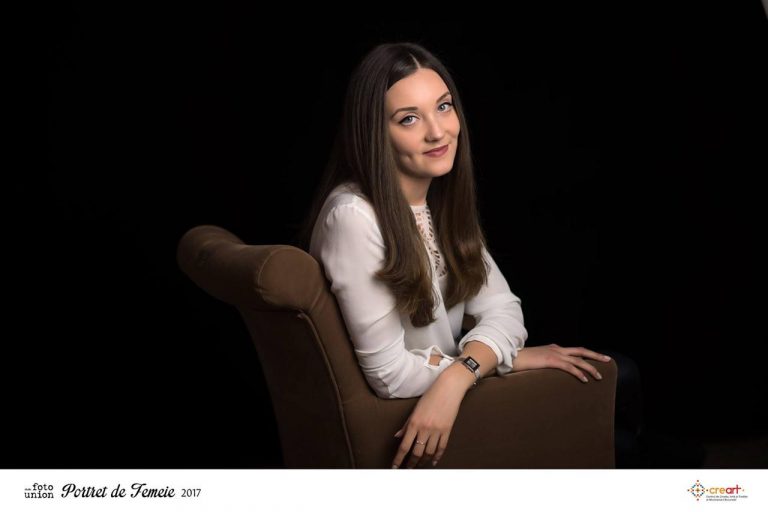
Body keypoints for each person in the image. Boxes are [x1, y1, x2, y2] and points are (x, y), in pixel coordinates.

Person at [295, 42, 615, 469]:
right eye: (409, 118)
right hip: (409, 415)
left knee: (617, 381)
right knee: (615, 379)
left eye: (443, 107)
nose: (437, 131)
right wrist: (493, 365)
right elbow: (389, 374)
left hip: (451, 391)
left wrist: (465, 370)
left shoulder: (438, 202)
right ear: (374, 132)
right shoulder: (353, 218)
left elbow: (504, 310)